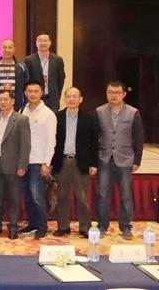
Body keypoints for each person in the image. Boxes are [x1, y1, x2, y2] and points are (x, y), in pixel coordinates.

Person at [96, 81, 144, 240]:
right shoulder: (99, 111)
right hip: (104, 158)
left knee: (126, 195)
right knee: (102, 194)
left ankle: (126, 227)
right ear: (106, 93)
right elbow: (94, 137)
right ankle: (102, 226)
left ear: (124, 94)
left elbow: (139, 137)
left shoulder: (133, 112)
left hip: (125, 159)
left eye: (117, 92)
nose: (113, 95)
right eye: (110, 92)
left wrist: (137, 160)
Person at [51, 87, 99, 238]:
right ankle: (63, 226)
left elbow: (94, 142)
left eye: (74, 96)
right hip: (62, 161)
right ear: (64, 99)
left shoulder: (89, 118)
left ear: (81, 99)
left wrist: (94, 163)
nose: (71, 99)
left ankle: (85, 227)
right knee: (61, 197)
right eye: (68, 96)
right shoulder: (57, 117)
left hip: (81, 162)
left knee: (82, 198)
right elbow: (52, 141)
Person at [0, 90, 31, 240]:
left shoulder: (21, 120)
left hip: (14, 166)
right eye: (0, 100)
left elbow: (25, 145)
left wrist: (22, 165)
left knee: (13, 199)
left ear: (13, 101)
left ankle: (13, 227)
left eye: (5, 99)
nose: (2, 102)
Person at [20, 80, 56, 239]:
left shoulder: (48, 114)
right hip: (24, 161)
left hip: (39, 161)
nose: (32, 94)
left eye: (36, 91)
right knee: (27, 195)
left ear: (41, 92)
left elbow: (51, 141)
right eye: (30, 91)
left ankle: (42, 226)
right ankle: (33, 223)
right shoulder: (23, 110)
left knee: (37, 195)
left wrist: (47, 163)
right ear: (25, 93)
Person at [23, 32, 65, 111]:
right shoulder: (28, 60)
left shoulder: (58, 60)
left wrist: (56, 94)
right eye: (40, 41)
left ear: (50, 43)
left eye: (45, 41)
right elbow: (26, 81)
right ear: (36, 43)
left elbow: (61, 80)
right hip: (35, 98)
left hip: (52, 99)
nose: (43, 43)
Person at [0, 38, 28, 114]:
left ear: (14, 49)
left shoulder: (21, 66)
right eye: (4, 47)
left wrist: (25, 105)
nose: (7, 50)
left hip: (17, 107)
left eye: (10, 47)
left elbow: (26, 87)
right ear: (1, 49)